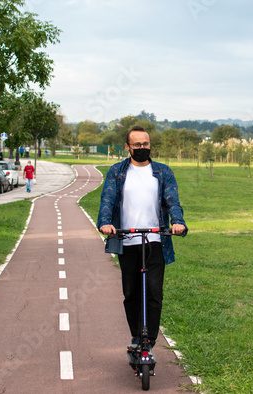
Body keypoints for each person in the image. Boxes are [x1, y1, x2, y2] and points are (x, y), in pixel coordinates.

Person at [97, 126, 187, 354]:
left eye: (145, 144)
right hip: (127, 241)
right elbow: (108, 198)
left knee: (154, 292)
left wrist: (177, 222)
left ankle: (149, 340)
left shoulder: (163, 172)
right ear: (127, 147)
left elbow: (172, 201)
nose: (142, 148)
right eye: (136, 145)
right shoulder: (117, 171)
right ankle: (137, 336)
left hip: (156, 242)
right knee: (132, 293)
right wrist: (105, 222)